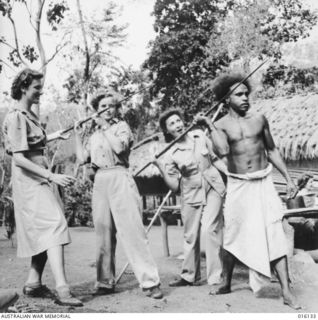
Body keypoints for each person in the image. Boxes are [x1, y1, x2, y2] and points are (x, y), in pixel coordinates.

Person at [195, 73, 300, 309]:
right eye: (239, 94)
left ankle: (286, 290)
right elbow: (222, 151)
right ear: (225, 99)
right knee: (232, 232)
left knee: (273, 232)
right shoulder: (220, 125)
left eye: (246, 94)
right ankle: (226, 282)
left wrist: (288, 178)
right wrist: (209, 126)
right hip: (239, 184)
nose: (245, 98)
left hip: (263, 183)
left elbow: (272, 151)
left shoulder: (259, 119)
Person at [2, 68, 82, 307]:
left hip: (39, 176)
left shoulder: (28, 114)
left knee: (46, 231)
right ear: (24, 87)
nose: (41, 91)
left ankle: (33, 283)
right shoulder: (16, 115)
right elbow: (19, 157)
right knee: (55, 225)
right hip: (30, 178)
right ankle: (63, 289)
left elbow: (34, 141)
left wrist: (56, 135)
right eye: (37, 87)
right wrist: (51, 176)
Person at [74, 90, 163, 299]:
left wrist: (105, 127)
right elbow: (81, 159)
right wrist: (78, 135)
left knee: (132, 230)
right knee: (103, 232)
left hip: (119, 175)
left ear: (116, 108)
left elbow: (119, 148)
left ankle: (150, 282)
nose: (105, 109)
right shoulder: (93, 135)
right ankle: (105, 282)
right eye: (102, 106)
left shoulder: (121, 127)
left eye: (110, 105)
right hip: (100, 180)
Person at [153, 109, 227, 288]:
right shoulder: (171, 153)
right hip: (190, 192)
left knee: (210, 229)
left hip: (213, 186)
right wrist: (161, 167)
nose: (177, 125)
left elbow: (215, 158)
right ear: (167, 130)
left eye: (178, 120)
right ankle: (189, 276)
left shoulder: (199, 135)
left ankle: (216, 276)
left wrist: (230, 173)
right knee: (190, 235)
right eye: (172, 124)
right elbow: (174, 186)